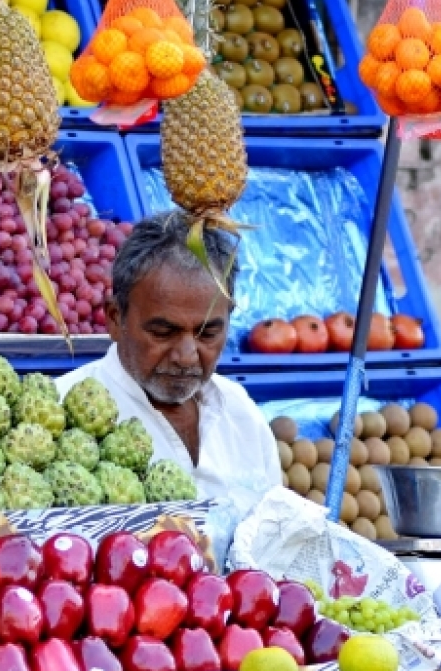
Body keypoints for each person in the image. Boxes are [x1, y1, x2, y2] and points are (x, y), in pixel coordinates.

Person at [58, 212, 285, 522]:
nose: (187, 356)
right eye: (163, 333)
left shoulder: (240, 413)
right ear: (114, 319)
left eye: (208, 333)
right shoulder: (57, 416)